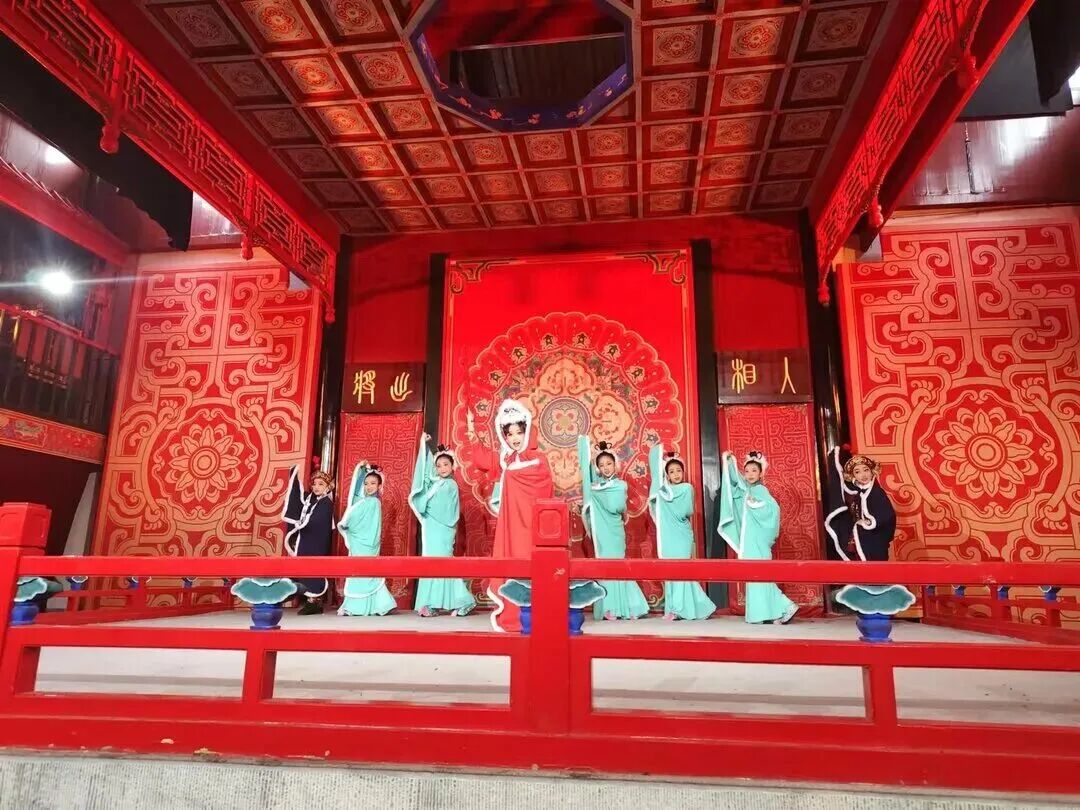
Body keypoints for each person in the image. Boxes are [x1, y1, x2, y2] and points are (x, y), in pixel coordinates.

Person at [468, 398, 554, 632]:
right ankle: (515, 615)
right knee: (513, 565)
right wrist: (472, 431)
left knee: (533, 565)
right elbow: (482, 459)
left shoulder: (539, 459)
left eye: (519, 432)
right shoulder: (505, 460)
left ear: (527, 432)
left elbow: (545, 489)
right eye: (509, 434)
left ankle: (539, 615)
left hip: (533, 525)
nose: (514, 438)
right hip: (512, 526)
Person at [717, 450, 797, 625]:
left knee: (760, 574)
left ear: (761, 473)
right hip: (750, 539)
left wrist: (756, 504)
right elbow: (735, 480)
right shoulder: (748, 490)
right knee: (755, 575)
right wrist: (729, 461)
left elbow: (772, 509)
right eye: (747, 471)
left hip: (757, 540)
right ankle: (766, 613)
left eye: (754, 470)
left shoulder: (760, 490)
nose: (750, 474)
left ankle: (785, 606)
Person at [577, 436, 649, 620]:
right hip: (602, 532)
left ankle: (629, 606)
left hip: (615, 532)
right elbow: (590, 500)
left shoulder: (620, 485)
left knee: (617, 566)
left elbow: (617, 507)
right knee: (605, 566)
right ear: (598, 469)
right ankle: (609, 607)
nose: (606, 467)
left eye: (609, 463)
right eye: (602, 465)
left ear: (615, 464)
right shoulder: (595, 487)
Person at [410, 433, 476, 617]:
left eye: (446, 464)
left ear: (452, 466)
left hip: (443, 529)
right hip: (432, 528)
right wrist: (423, 445)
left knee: (442, 564)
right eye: (438, 466)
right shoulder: (437, 484)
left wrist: (426, 505)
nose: (442, 468)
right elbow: (425, 474)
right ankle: (430, 603)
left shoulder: (450, 485)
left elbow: (444, 509)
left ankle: (464, 600)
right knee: (431, 563)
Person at [648, 443, 715, 621]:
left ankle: (678, 609)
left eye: (678, 470)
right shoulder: (662, 491)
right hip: (668, 535)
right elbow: (654, 505)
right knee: (670, 571)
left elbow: (686, 511)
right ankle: (679, 608)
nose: (676, 474)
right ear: (667, 475)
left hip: (681, 535)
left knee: (681, 570)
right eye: (671, 471)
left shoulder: (687, 488)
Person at [338, 461, 396, 617]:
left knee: (367, 573)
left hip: (367, 543)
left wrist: (347, 525)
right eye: (366, 483)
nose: (369, 486)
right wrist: (360, 469)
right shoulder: (364, 501)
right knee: (360, 573)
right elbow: (354, 497)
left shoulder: (374, 502)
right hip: (359, 543)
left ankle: (369, 606)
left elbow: (359, 520)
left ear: (379, 486)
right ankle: (370, 605)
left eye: (373, 483)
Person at [824, 448, 897, 562]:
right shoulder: (856, 492)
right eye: (857, 472)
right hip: (859, 537)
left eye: (866, 470)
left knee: (875, 565)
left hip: (874, 537)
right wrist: (836, 457)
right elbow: (841, 485)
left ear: (872, 471)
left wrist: (869, 522)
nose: (863, 475)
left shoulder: (877, 492)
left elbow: (887, 514)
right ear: (853, 476)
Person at [282, 467, 335, 616]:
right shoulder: (309, 500)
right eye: (314, 484)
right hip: (305, 541)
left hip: (317, 543)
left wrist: (304, 523)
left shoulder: (326, 503)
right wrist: (294, 480)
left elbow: (318, 521)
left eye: (321, 484)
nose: (316, 487)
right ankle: (301, 596)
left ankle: (315, 601)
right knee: (302, 568)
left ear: (327, 486)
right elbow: (297, 502)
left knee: (314, 569)